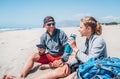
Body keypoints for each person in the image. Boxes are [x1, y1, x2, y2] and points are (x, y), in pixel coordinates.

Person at [33, 16, 107, 79]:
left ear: (88, 29)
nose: (78, 29)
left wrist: (74, 48)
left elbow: (91, 61)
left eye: (81, 27)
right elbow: (79, 57)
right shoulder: (86, 40)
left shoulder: (98, 41)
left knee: (71, 76)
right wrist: (68, 64)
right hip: (83, 65)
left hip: (94, 69)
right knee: (61, 70)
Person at [3, 16, 68, 79]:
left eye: (53, 24)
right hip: (50, 56)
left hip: (60, 56)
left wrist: (62, 59)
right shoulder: (43, 36)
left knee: (72, 57)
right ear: (44, 25)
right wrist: (41, 52)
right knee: (33, 55)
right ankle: (21, 75)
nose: (52, 26)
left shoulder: (60, 33)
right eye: (49, 24)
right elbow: (42, 52)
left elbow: (67, 46)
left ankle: (49, 66)